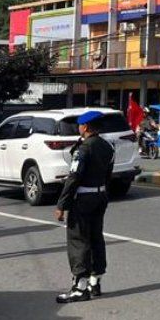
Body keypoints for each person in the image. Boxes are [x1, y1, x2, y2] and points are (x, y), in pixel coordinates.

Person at [54, 110, 116, 303]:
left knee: (78, 240)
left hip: (83, 199)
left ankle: (79, 288)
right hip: (100, 195)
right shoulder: (108, 147)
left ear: (86, 127)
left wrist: (62, 204)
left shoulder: (83, 149)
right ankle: (95, 282)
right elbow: (108, 174)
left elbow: (74, 177)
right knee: (96, 237)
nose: (79, 128)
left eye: (80, 126)